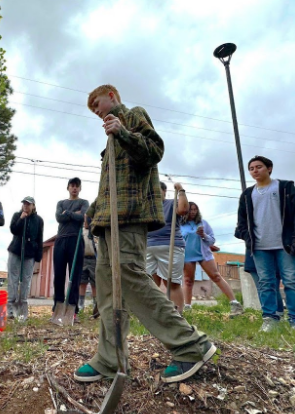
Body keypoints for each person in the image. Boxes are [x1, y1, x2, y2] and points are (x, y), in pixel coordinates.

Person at [75, 84, 216, 384]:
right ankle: (109, 359)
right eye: (93, 110)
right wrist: (92, 214)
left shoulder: (133, 116)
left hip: (128, 218)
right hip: (107, 223)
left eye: (97, 104)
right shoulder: (109, 141)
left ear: (111, 96)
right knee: (109, 291)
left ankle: (190, 345)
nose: (96, 112)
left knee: (129, 279)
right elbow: (110, 188)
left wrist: (123, 132)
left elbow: (154, 152)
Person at [235, 155, 295, 335]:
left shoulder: (285, 188)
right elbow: (241, 222)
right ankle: (270, 319)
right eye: (252, 168)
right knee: (266, 283)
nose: (255, 170)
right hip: (260, 248)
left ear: (269, 168)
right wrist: (248, 238)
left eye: (259, 167)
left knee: (291, 282)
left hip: (285, 245)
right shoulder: (247, 195)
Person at [181, 202, 243, 316]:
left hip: (204, 255)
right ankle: (188, 308)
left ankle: (235, 303)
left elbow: (212, 240)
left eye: (195, 209)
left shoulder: (203, 223)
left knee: (216, 276)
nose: (193, 212)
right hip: (187, 256)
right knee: (188, 281)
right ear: (185, 210)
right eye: (190, 209)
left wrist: (203, 235)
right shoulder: (180, 225)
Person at [146, 181, 189, 314]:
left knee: (171, 282)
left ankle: (177, 314)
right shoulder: (147, 207)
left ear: (164, 191)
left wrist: (181, 190)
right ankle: (152, 312)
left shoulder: (171, 203)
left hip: (171, 245)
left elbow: (183, 209)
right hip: (148, 246)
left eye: (158, 190)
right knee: (150, 282)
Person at [53, 177, 89, 321]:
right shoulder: (61, 203)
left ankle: (73, 310)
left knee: (75, 276)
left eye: (77, 186)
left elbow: (83, 218)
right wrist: (75, 214)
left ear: (80, 189)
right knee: (59, 276)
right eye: (72, 186)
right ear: (68, 187)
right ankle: (58, 307)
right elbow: (58, 218)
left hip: (76, 239)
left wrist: (67, 214)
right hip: (61, 240)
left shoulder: (84, 202)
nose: (74, 188)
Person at [7, 196, 44, 321]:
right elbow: (13, 230)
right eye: (24, 204)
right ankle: (10, 310)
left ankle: (22, 309)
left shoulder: (38, 220)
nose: (26, 206)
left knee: (26, 281)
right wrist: (21, 219)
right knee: (13, 279)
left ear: (33, 206)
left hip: (30, 254)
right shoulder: (17, 215)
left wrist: (38, 257)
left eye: (28, 204)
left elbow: (40, 239)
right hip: (16, 251)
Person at [244, 249, 285, 316]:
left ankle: (278, 314)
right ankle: (269, 316)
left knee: (273, 288)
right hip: (253, 254)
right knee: (261, 288)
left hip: (274, 255)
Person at [80, 214, 99, 318]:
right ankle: (80, 305)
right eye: (85, 219)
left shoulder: (95, 231)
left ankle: (95, 306)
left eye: (89, 218)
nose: (87, 221)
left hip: (94, 259)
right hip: (83, 259)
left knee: (94, 283)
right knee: (82, 282)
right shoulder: (81, 231)